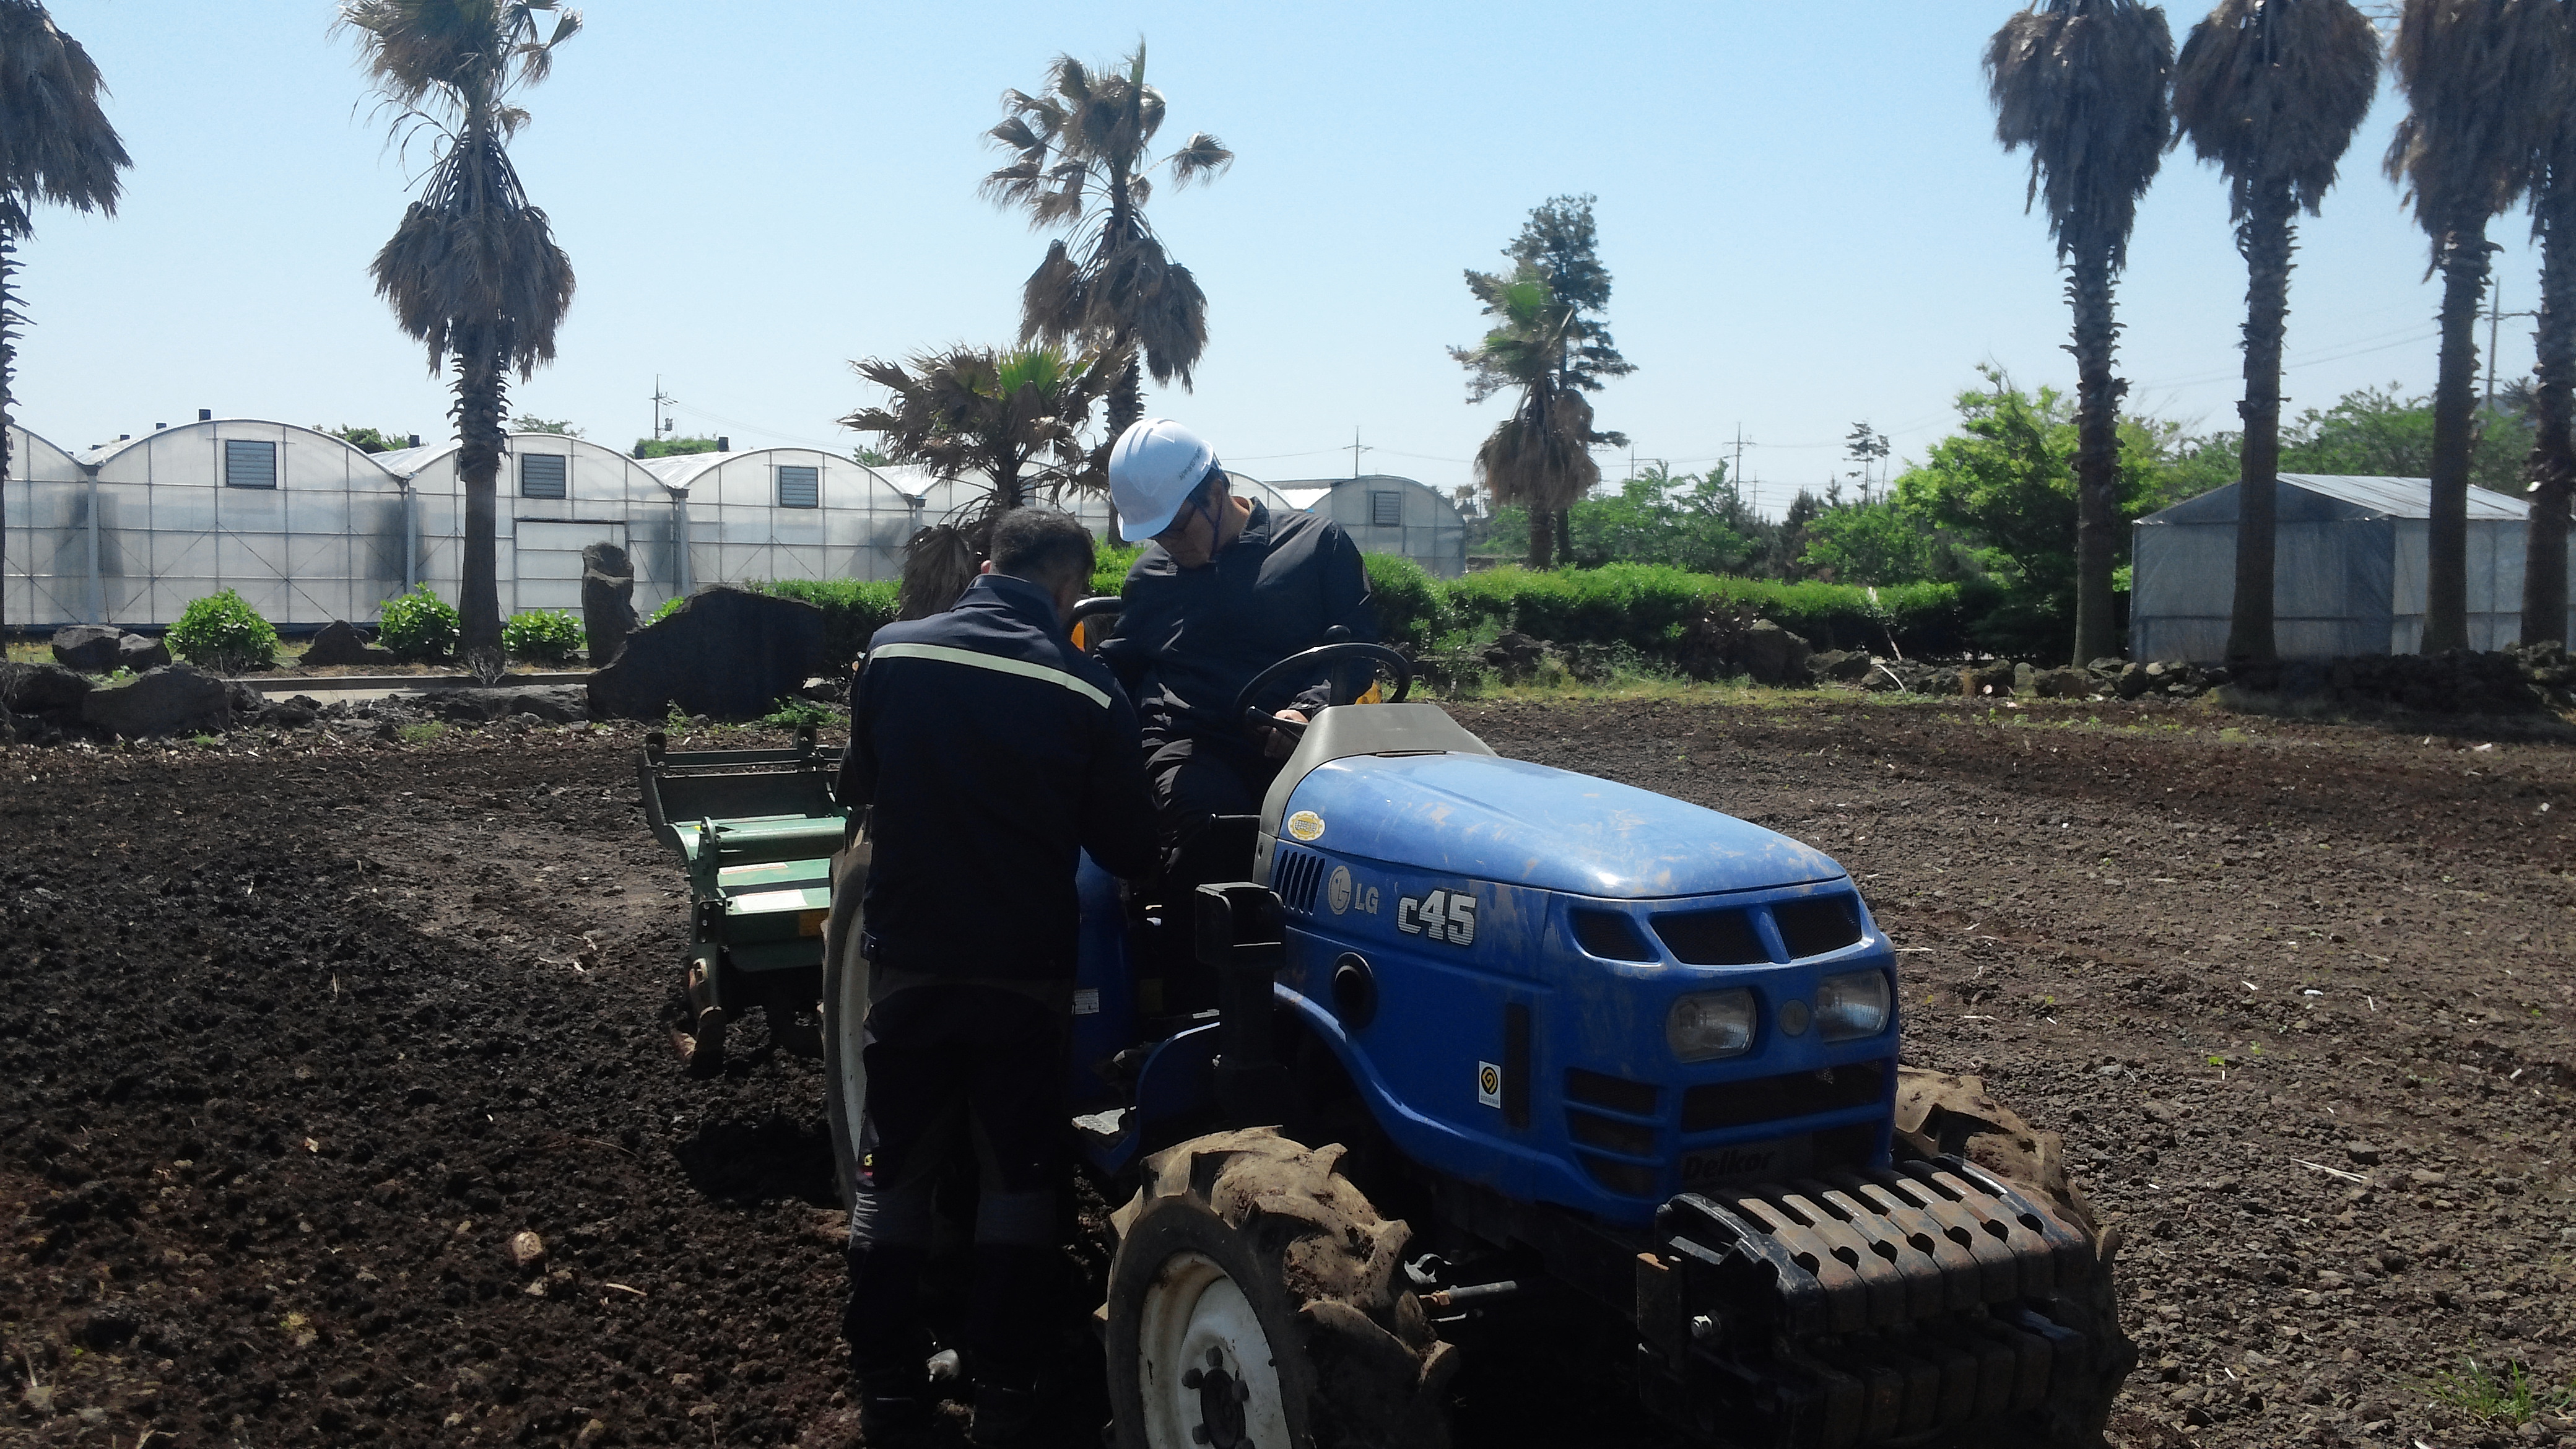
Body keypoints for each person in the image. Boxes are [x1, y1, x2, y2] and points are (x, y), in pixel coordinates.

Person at [835, 506, 1156, 1446]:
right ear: (1068, 589)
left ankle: (890, 1389)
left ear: (985, 565)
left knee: (895, 1174)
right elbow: (1128, 845)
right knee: (1018, 1182)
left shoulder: (891, 655)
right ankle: (1006, 1392)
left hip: (911, 965)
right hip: (1023, 975)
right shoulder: (1090, 691)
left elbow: (863, 783)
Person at [1095, 418, 1378, 903]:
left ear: (1218, 490)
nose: (1170, 544)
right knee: (1215, 830)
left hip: (1304, 746)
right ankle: (1200, 972)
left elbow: (1356, 654)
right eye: (1157, 534)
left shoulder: (1316, 546)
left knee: (1364, 838)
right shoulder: (1151, 577)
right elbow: (1122, 664)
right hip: (1191, 744)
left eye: (1178, 527)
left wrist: (1305, 711)